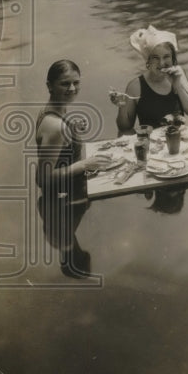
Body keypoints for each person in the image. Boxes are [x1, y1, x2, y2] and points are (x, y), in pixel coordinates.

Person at [36, 60, 112, 277]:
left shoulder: (50, 111)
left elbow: (57, 147)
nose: (72, 89)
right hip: (62, 199)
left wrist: (72, 128)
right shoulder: (55, 125)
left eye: (76, 83)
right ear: (50, 85)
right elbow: (42, 178)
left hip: (60, 200)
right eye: (65, 84)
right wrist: (84, 164)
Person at [111, 26, 188, 134]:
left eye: (166, 56)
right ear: (148, 61)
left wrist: (177, 85)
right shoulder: (135, 86)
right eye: (155, 58)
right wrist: (122, 106)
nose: (162, 63)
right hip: (151, 145)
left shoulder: (178, 73)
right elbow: (124, 128)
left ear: (173, 58)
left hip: (177, 141)